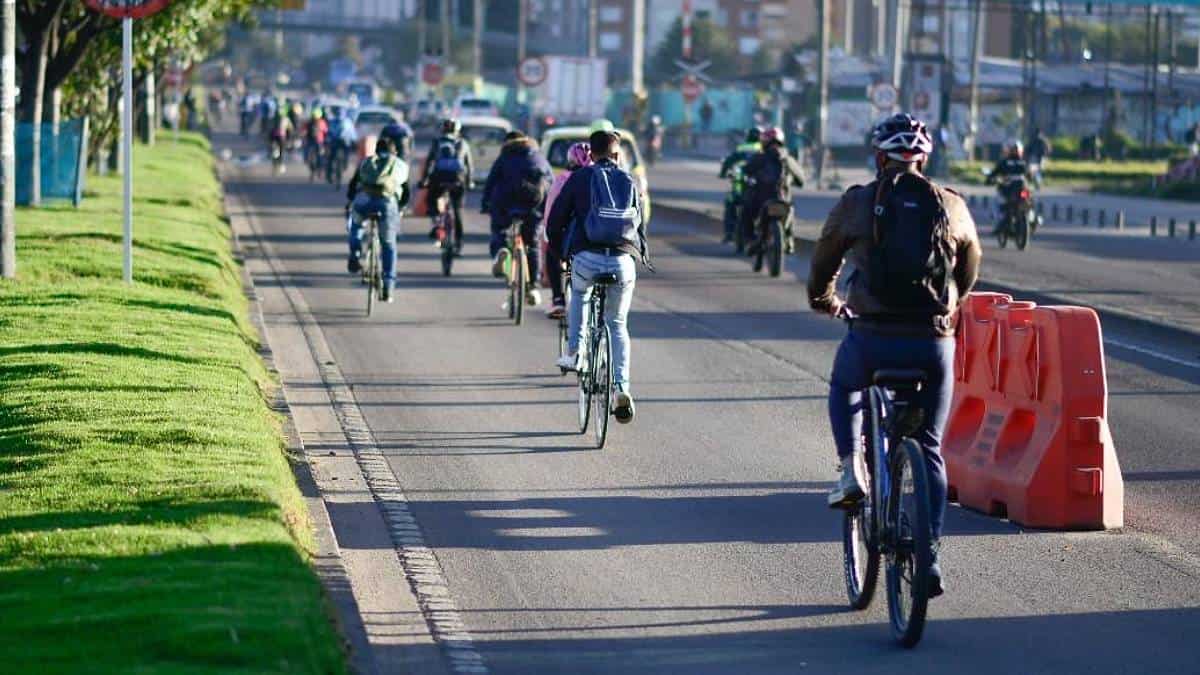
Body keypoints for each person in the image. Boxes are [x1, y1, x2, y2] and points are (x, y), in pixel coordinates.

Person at [807, 112, 982, 598]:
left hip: (872, 337)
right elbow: (969, 267)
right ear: (924, 159)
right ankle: (930, 556)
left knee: (845, 384)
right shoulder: (951, 204)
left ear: (878, 157)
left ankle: (850, 469)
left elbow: (824, 258)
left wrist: (824, 300)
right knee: (929, 446)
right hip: (932, 342)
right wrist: (950, 307)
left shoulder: (857, 202)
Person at [547, 129, 649, 424]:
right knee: (617, 324)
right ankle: (622, 388)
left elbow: (555, 222)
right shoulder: (629, 180)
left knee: (579, 294)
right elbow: (640, 225)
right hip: (622, 261)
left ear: (591, 154)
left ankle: (576, 353)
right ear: (618, 155)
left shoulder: (580, 177)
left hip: (586, 258)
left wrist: (561, 253)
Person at [481, 130, 553, 307]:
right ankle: (533, 286)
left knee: (500, 230)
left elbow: (491, 182)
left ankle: (501, 250)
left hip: (506, 204)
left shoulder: (505, 157)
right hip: (532, 204)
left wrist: (485, 204)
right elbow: (550, 181)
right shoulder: (538, 157)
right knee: (533, 244)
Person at [344, 136, 410, 303]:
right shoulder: (399, 165)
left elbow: (353, 186)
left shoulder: (367, 162)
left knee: (356, 225)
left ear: (376, 150)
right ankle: (388, 285)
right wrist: (400, 208)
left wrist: (351, 201)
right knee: (388, 244)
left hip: (364, 201)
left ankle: (355, 254)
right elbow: (406, 192)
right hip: (387, 204)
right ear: (394, 151)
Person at [539, 142, 592, 318]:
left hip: (568, 238)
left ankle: (558, 299)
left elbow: (550, 214)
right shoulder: (600, 178)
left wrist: (550, 237)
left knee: (552, 253)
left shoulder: (563, 180)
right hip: (598, 237)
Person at [741, 126, 805, 256]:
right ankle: (789, 241)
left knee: (745, 209)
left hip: (762, 201)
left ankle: (750, 239)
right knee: (790, 212)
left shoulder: (760, 157)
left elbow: (745, 171)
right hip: (783, 200)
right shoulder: (789, 159)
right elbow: (801, 181)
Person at [420, 118, 473, 253]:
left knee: (432, 200)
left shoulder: (437, 142)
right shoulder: (463, 143)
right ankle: (458, 243)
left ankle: (437, 224)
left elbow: (429, 162)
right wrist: (469, 181)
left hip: (439, 178)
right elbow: (469, 166)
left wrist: (424, 179)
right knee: (457, 210)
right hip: (457, 179)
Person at [718, 127, 763, 244]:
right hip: (760, 188)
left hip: (742, 186)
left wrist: (722, 173)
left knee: (730, 202)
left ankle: (729, 232)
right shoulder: (764, 149)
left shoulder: (742, 148)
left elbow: (728, 161)